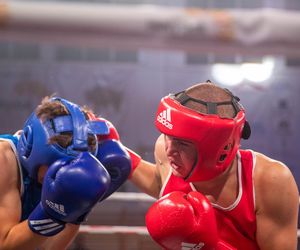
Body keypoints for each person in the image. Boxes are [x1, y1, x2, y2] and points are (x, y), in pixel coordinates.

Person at [120, 81, 299, 249]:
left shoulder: (269, 182)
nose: (169, 150)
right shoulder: (167, 151)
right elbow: (162, 182)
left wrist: (210, 247)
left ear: (219, 149)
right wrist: (121, 157)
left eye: (182, 143)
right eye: (169, 136)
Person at [0, 96, 131, 249]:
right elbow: (5, 245)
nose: (62, 171)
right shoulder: (4, 160)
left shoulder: (58, 176)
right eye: (55, 163)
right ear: (32, 149)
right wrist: (49, 216)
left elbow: (48, 247)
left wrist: (78, 211)